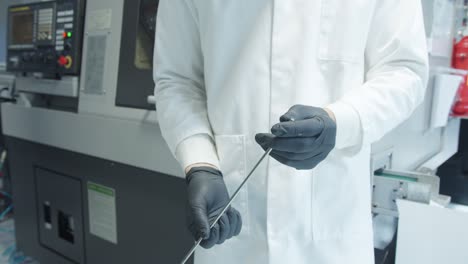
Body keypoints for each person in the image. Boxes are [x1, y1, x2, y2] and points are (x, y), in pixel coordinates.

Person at [154, 1, 428, 263]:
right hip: (233, 238)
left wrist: (342, 123)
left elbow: (404, 70)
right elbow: (177, 80)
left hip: (330, 236)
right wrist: (200, 161)